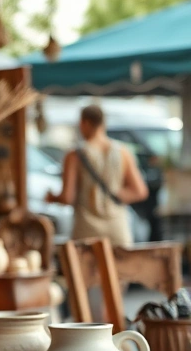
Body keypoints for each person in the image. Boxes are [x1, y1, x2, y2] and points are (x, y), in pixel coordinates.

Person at [47, 105, 149, 246]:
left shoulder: (74, 155)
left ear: (85, 123)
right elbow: (140, 191)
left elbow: (67, 197)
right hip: (117, 229)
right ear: (103, 123)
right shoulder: (123, 152)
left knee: (85, 267)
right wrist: (114, 196)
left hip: (87, 231)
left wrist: (52, 197)